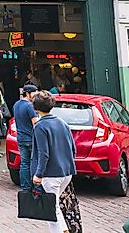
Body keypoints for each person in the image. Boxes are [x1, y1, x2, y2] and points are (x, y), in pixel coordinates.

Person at [32, 90, 77, 233]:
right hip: (67, 172)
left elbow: (43, 153)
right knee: (55, 206)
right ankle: (64, 230)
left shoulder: (40, 126)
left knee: (52, 210)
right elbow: (73, 148)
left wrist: (38, 174)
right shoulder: (62, 123)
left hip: (51, 174)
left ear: (35, 107)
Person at [13, 84, 40, 191]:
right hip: (31, 138)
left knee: (24, 163)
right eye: (34, 92)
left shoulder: (16, 105)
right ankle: (36, 187)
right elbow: (36, 124)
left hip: (20, 138)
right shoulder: (29, 106)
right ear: (28, 93)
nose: (36, 95)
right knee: (34, 162)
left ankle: (25, 186)